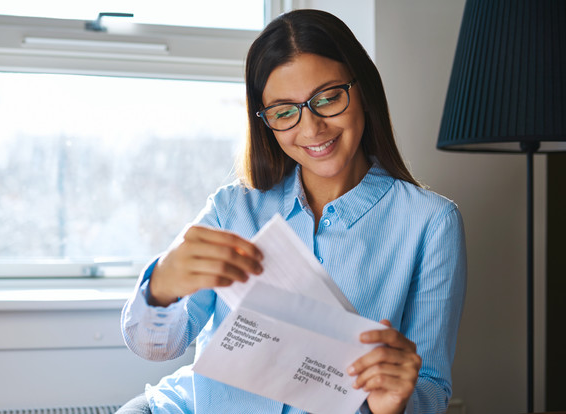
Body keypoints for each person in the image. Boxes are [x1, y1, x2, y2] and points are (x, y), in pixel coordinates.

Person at [118, 8, 466, 414]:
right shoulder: (233, 208)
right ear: (266, 121)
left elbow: (432, 388)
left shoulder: (431, 223)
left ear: (363, 91)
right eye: (285, 111)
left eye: (328, 98)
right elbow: (157, 347)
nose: (312, 128)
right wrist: (160, 289)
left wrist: (392, 405)